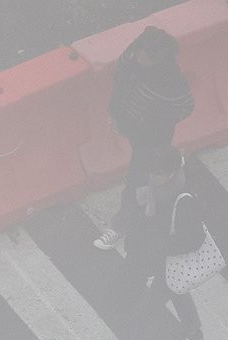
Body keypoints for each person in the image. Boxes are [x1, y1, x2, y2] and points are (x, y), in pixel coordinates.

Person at [103, 150, 205, 340]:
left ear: (170, 174)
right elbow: (142, 219)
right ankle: (193, 328)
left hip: (169, 260)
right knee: (179, 292)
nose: (152, 176)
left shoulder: (183, 199)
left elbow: (194, 238)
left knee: (147, 312)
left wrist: (163, 247)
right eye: (151, 171)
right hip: (153, 258)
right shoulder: (151, 191)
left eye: (157, 173)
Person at [94, 26, 194, 252]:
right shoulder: (131, 56)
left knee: (136, 180)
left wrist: (153, 120)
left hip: (152, 137)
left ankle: (119, 226)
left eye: (146, 57)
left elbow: (186, 107)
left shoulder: (172, 80)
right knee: (143, 176)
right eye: (140, 52)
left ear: (160, 58)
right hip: (129, 124)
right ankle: (169, 172)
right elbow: (120, 76)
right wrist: (116, 112)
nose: (140, 58)